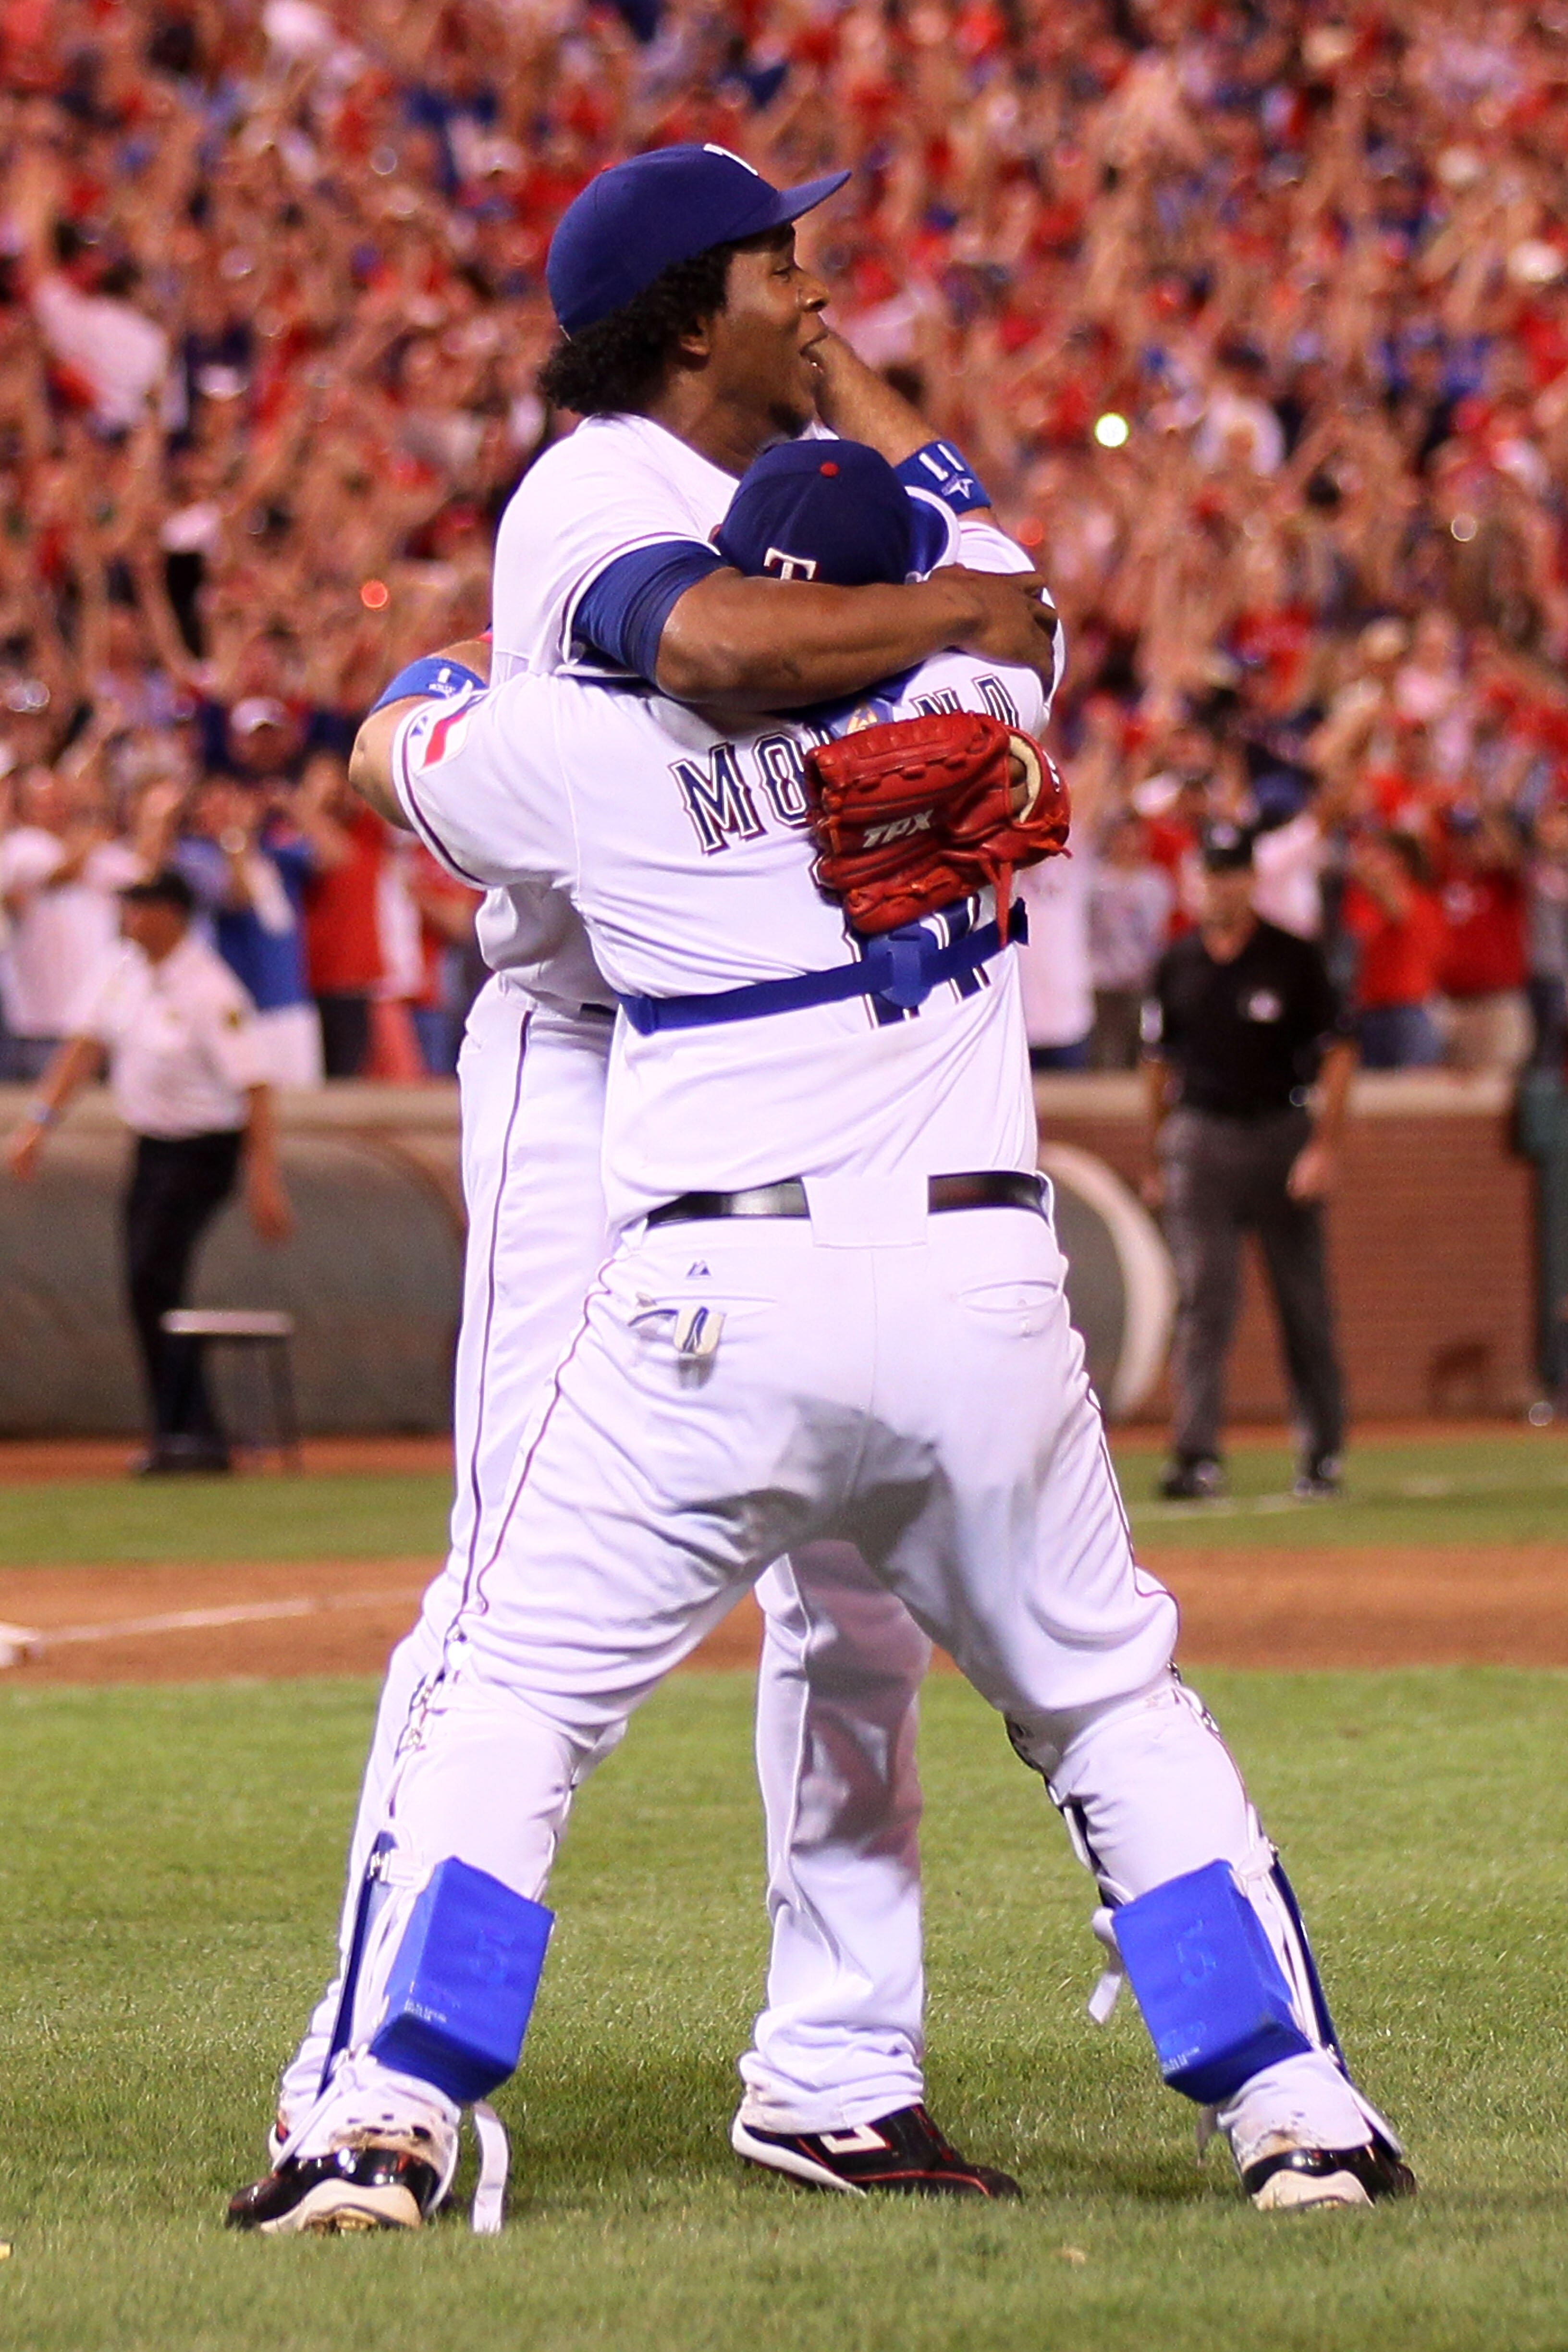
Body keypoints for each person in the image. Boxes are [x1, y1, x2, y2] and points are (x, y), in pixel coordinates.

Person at [227, 450, 1411, 2238]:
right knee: (1106, 1708)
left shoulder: (603, 757)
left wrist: (445, 679)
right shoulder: (981, 686)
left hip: (719, 1310)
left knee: (512, 1700)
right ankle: (1292, 2105)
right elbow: (990, 561)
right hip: (980, 1298)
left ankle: (383, 2115)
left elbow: (396, 751)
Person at [253, 142, 1059, 2212]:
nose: (825, 287)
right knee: (511, 1580)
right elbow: (708, 650)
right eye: (788, 261)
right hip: (600, 1064)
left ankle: (837, 2066)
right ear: (692, 312)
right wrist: (961, 597)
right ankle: (369, 2083)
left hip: (812, 1062)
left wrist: (873, 407)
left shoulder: (814, 451)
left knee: (863, 1597)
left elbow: (1013, 588)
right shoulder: (594, 491)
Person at [5, 869, 292, 1472]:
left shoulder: (210, 988)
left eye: (140, 908)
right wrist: (37, 1125)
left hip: (203, 1150)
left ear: (172, 916)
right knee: (146, 1285)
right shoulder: (122, 970)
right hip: (152, 1150)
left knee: (153, 1278)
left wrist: (264, 1176)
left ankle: (191, 1437)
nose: (129, 919)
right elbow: (83, 1049)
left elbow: (256, 1086)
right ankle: (181, 1432)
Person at [1143, 823, 1356, 1504]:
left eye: (1232, 872)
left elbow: (1339, 1051)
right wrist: (1162, 1148)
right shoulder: (1176, 963)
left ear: (1250, 880)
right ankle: (1196, 1454)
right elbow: (1157, 1063)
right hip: (1202, 1137)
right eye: (1210, 871)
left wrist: (1325, 1144)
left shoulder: (1292, 958)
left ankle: (1322, 1452)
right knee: (1205, 1299)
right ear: (1194, 879)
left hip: (1280, 1131)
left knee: (1303, 1303)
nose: (1219, 885)